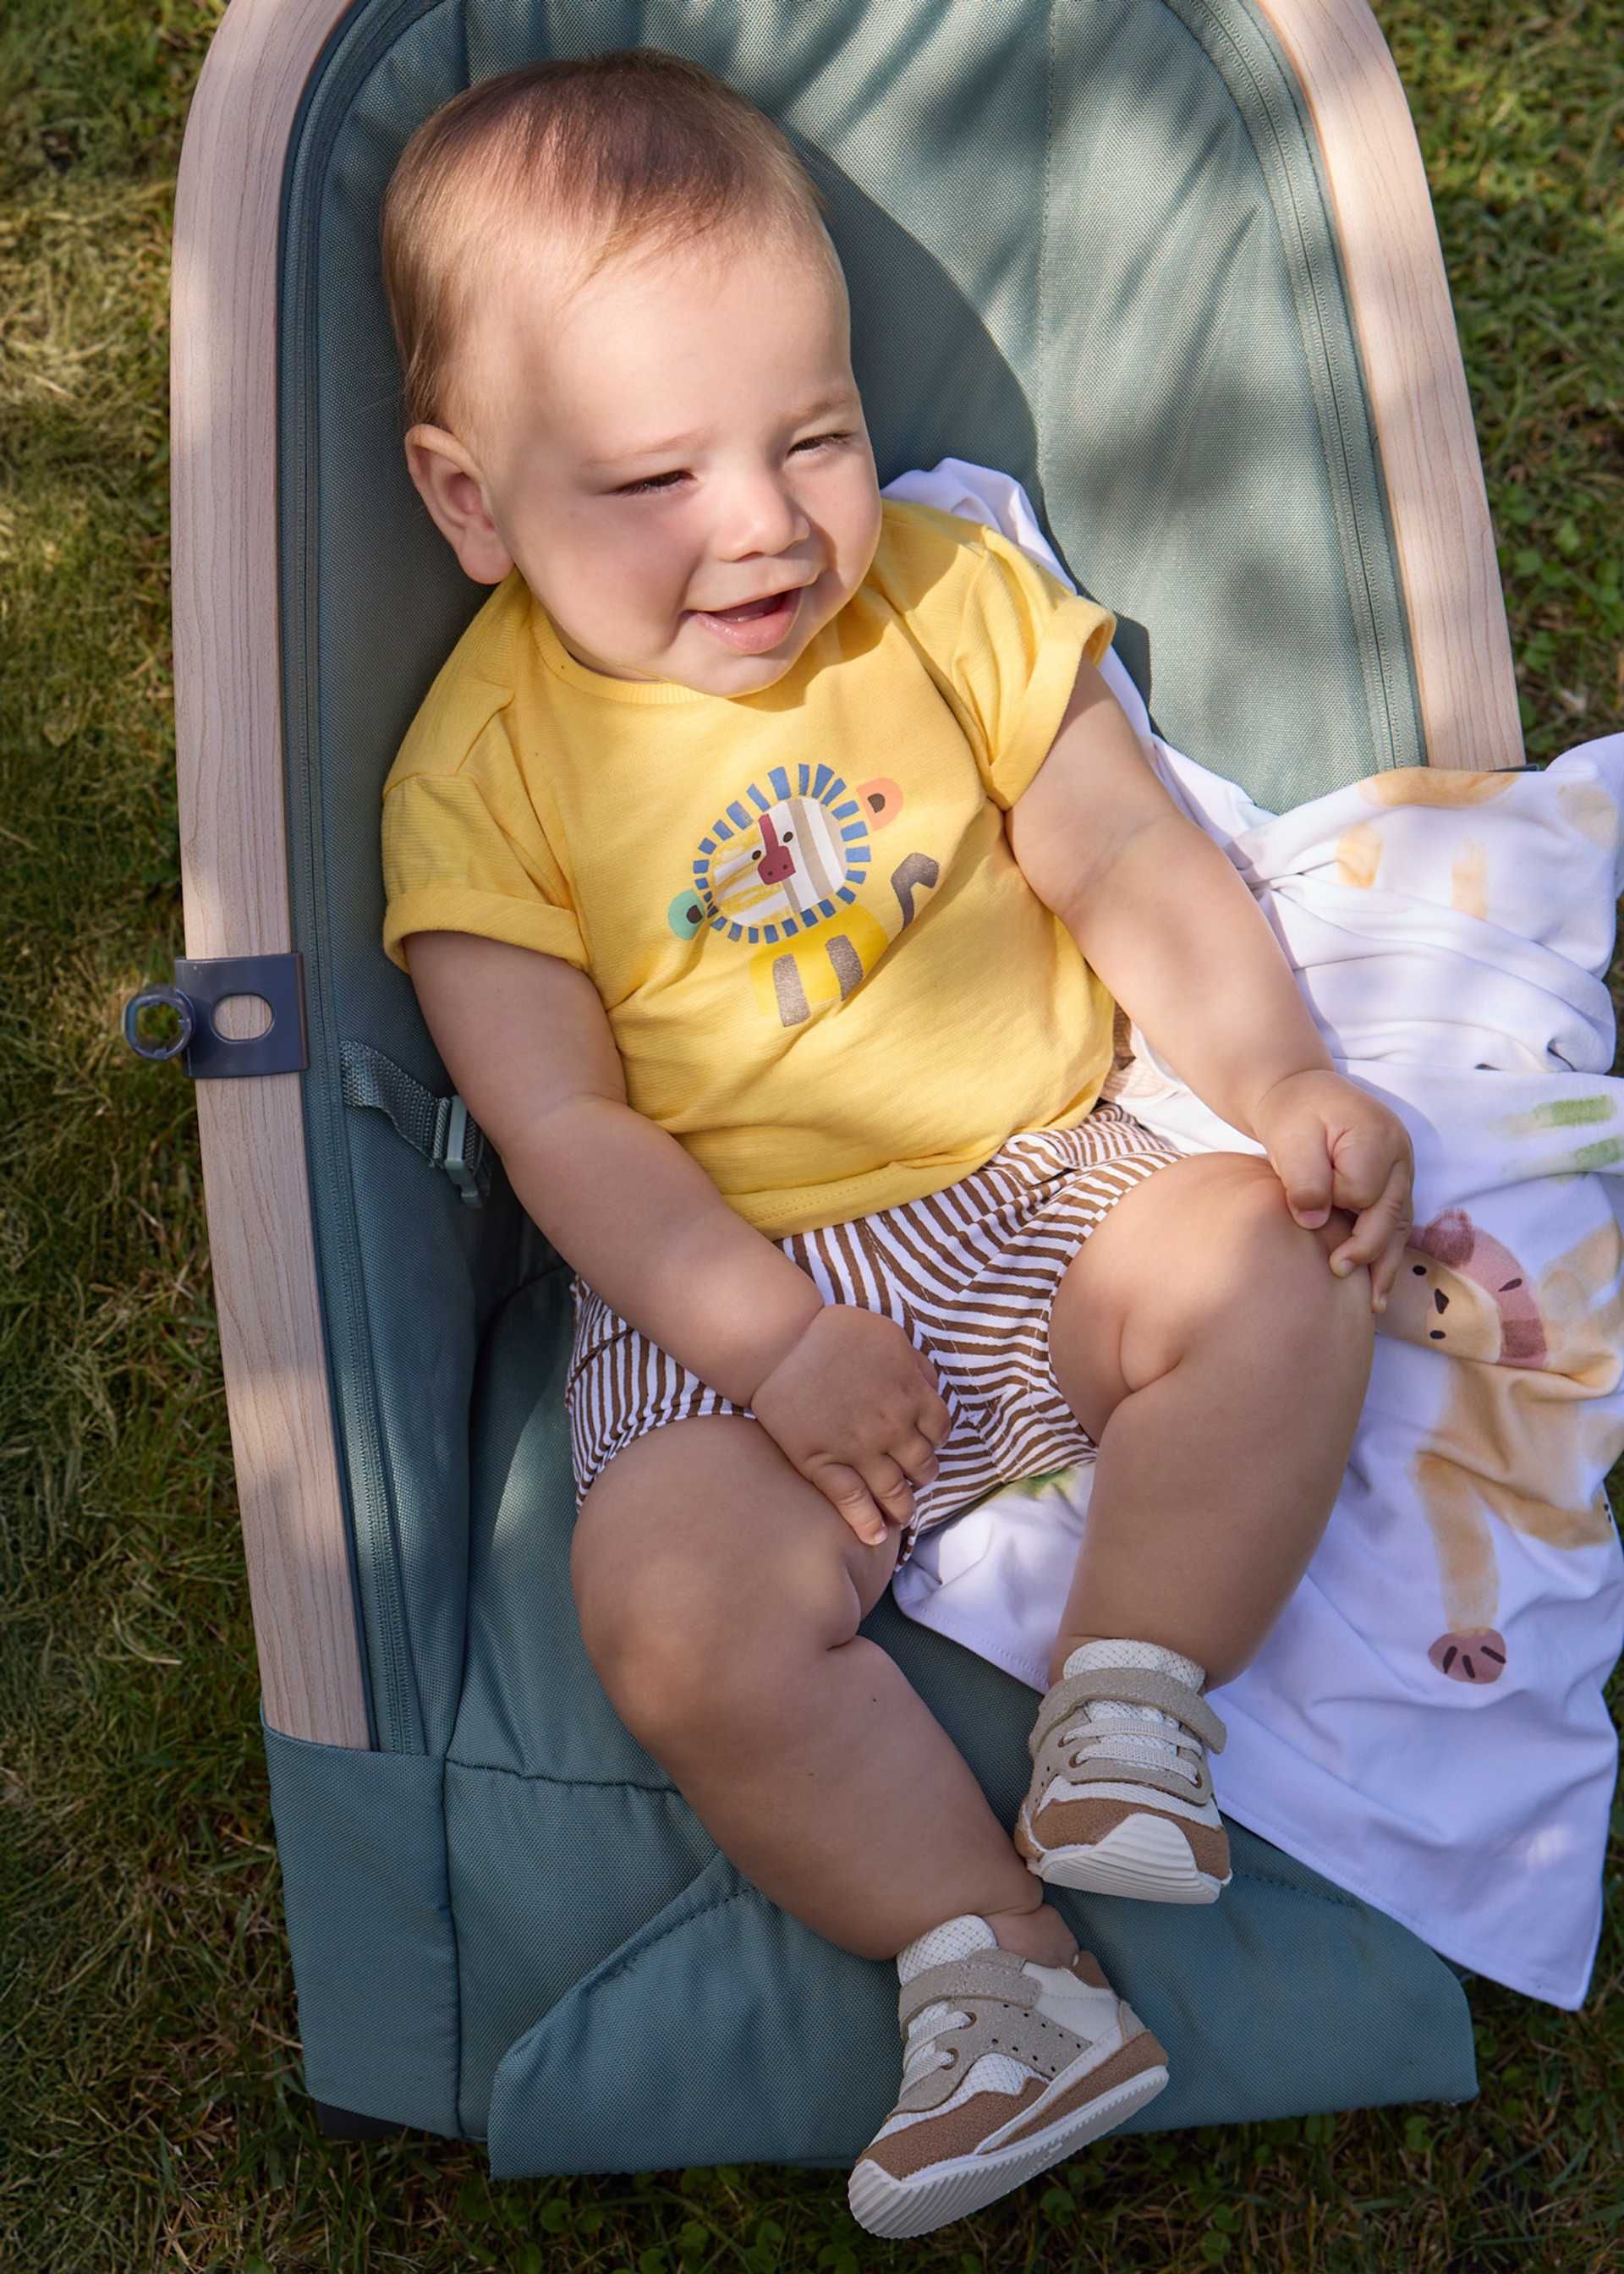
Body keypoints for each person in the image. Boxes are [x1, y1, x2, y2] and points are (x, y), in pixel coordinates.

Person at [376, 49, 1413, 2238]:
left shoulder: (941, 597)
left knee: (1281, 1264)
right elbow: (558, 1124)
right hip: (731, 1287)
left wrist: (1281, 1083)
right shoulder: (484, 765)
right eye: (654, 477)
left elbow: (1127, 856)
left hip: (1051, 1178)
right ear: (471, 502)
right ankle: (997, 1973)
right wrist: (767, 1347)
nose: (763, 525)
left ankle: (1131, 1700)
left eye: (816, 434)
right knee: (672, 1621)